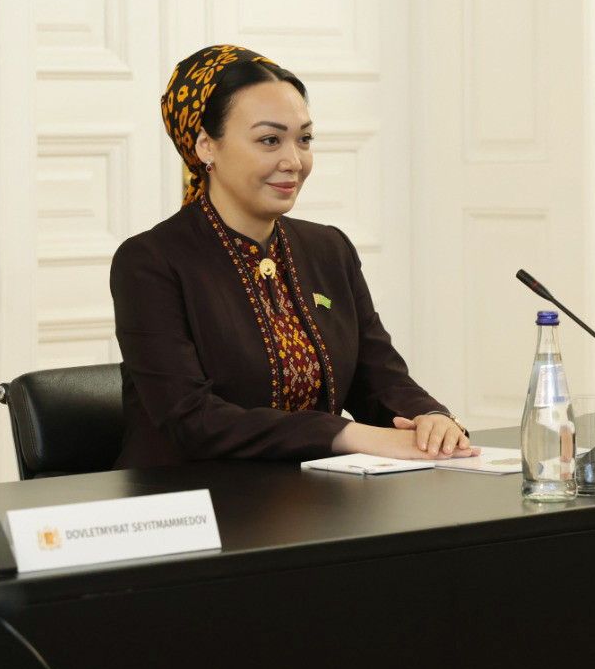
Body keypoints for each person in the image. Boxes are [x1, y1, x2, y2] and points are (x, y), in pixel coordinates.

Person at [111, 44, 475, 467]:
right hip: (191, 508)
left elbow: (378, 379)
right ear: (206, 146)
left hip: (314, 501)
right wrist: (345, 433)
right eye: (269, 140)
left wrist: (430, 419)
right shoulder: (150, 261)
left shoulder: (328, 249)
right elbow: (192, 420)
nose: (293, 161)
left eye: (303, 139)